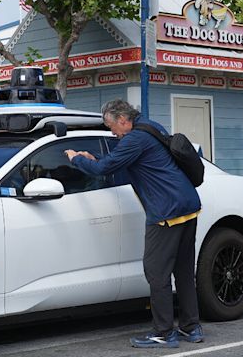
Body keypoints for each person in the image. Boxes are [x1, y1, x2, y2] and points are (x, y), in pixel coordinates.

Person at [65, 99, 203, 349]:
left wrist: (77, 159)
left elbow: (105, 168)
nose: (112, 132)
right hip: (188, 205)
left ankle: (164, 333)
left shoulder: (133, 139)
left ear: (122, 120)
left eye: (111, 127)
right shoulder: (150, 127)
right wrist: (94, 158)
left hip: (166, 212)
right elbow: (124, 165)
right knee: (183, 271)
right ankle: (191, 328)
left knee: (156, 272)